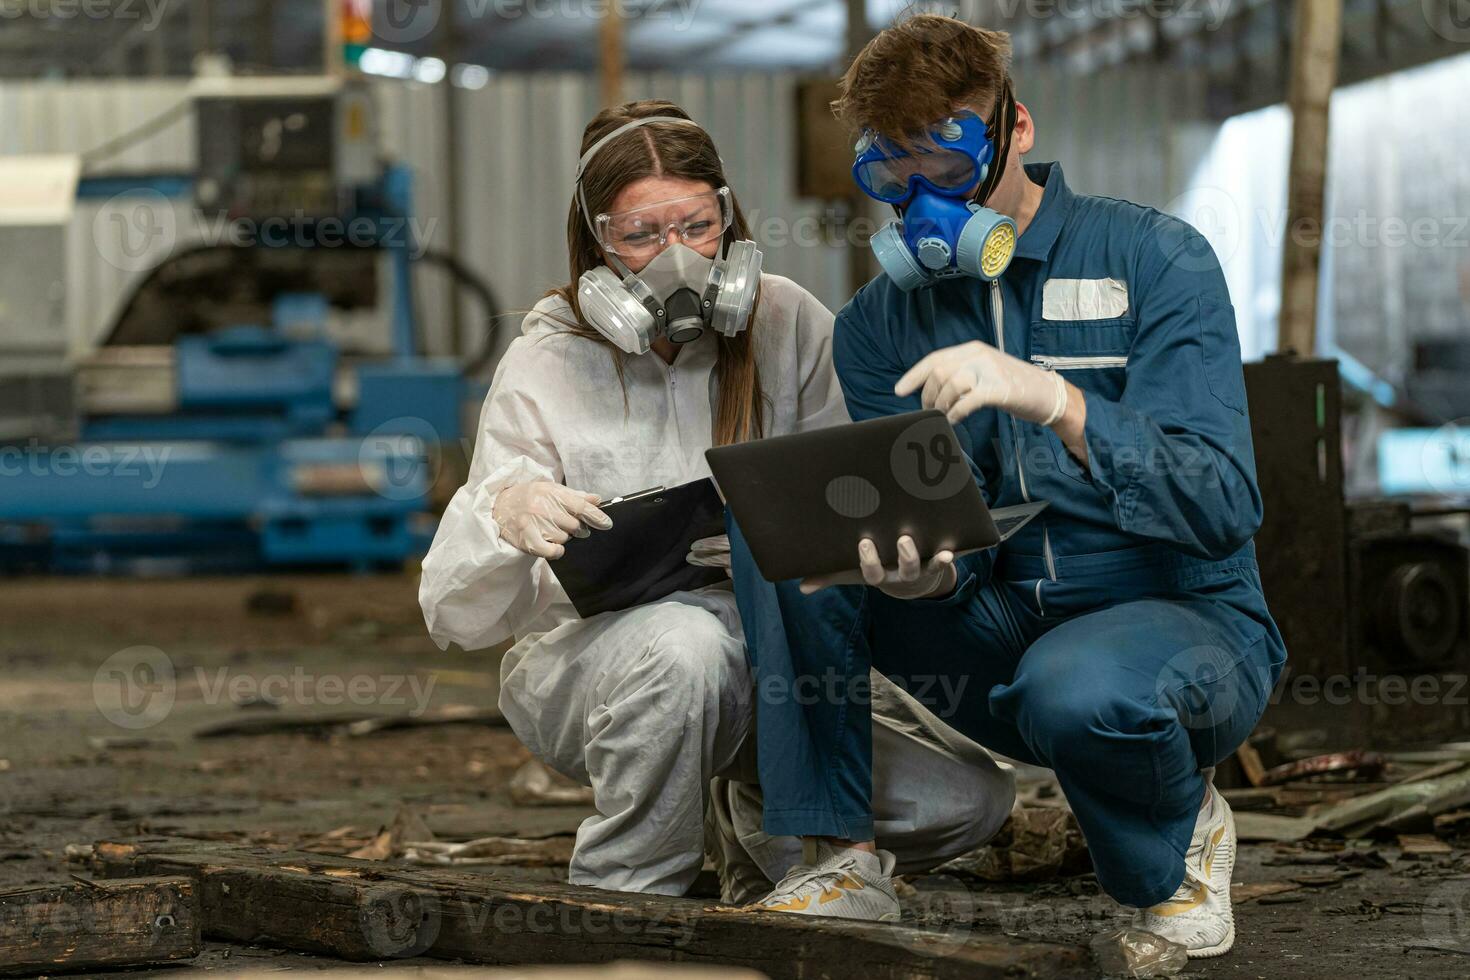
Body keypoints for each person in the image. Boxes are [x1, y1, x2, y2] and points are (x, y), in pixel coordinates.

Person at [729, 16, 1286, 958]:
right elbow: (947, 529)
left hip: (1177, 618)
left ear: (1015, 129)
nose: (919, 202)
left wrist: (1058, 400)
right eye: (891, 176)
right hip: (995, 624)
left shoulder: (1156, 260)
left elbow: (1222, 502)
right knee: (779, 536)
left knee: (1075, 689)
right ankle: (841, 855)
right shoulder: (879, 326)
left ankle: (1180, 831)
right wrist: (918, 576)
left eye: (944, 171)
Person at [419, 100, 1014, 900]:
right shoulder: (547, 358)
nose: (676, 260)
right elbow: (457, 614)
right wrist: (505, 509)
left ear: (729, 218)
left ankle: (752, 805)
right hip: (603, 667)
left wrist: (897, 558)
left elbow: (850, 494)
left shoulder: (786, 321)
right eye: (640, 237)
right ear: (596, 241)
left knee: (965, 800)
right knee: (683, 651)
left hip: (778, 659)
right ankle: (626, 893)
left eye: (698, 227)